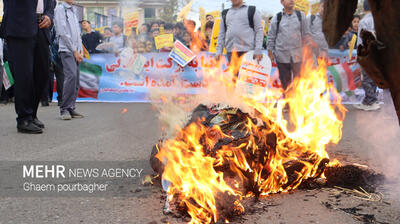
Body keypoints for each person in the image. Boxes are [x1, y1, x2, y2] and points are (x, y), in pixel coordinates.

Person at [0, 0, 54, 134]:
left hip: (41, 26)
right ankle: (24, 118)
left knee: (42, 73)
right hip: (19, 25)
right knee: (24, 74)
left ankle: (32, 114)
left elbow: (51, 2)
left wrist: (49, 15)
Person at [267, 0, 311, 91]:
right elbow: (271, 37)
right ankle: (287, 103)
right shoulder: (277, 17)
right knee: (285, 84)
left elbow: (306, 35)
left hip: (298, 57)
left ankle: (297, 104)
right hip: (282, 57)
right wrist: (270, 53)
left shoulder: (301, 16)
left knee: (299, 83)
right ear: (282, 2)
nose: (291, 0)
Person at [216, 0, 264, 77]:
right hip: (231, 51)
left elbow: (259, 31)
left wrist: (258, 49)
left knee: (247, 79)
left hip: (248, 51)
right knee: (235, 78)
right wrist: (219, 50)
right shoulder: (225, 13)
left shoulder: (252, 10)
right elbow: (221, 33)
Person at [54, 0, 84, 120]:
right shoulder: (61, 9)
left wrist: (80, 49)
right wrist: (74, 50)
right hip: (66, 49)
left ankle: (71, 107)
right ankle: (64, 109)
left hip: (76, 50)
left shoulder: (74, 10)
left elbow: (77, 33)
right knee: (71, 76)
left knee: (76, 79)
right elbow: (62, 32)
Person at [353, 1, 380, 111]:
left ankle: (370, 102)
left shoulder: (364, 21)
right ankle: (373, 99)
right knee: (373, 77)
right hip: (377, 53)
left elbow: (361, 40)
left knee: (367, 78)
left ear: (363, 9)